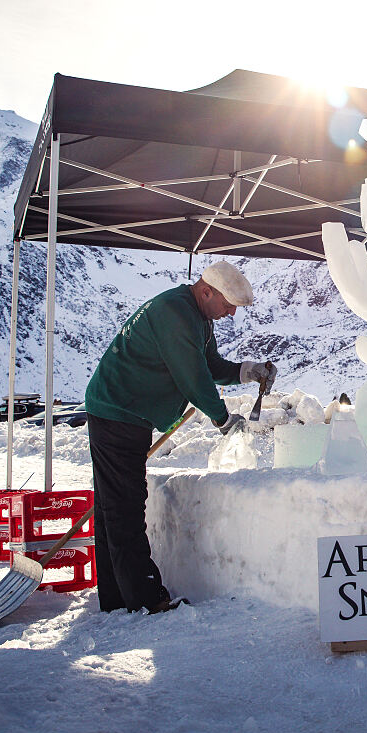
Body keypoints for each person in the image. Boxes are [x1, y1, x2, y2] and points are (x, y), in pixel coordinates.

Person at [84, 260, 277, 613]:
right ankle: (144, 599)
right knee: (124, 506)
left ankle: (116, 596)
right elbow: (193, 377)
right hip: (118, 411)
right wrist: (222, 419)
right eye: (228, 304)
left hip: (124, 410)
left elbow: (209, 365)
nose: (231, 313)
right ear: (207, 291)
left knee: (113, 505)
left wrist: (246, 371)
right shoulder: (176, 314)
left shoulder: (195, 315)